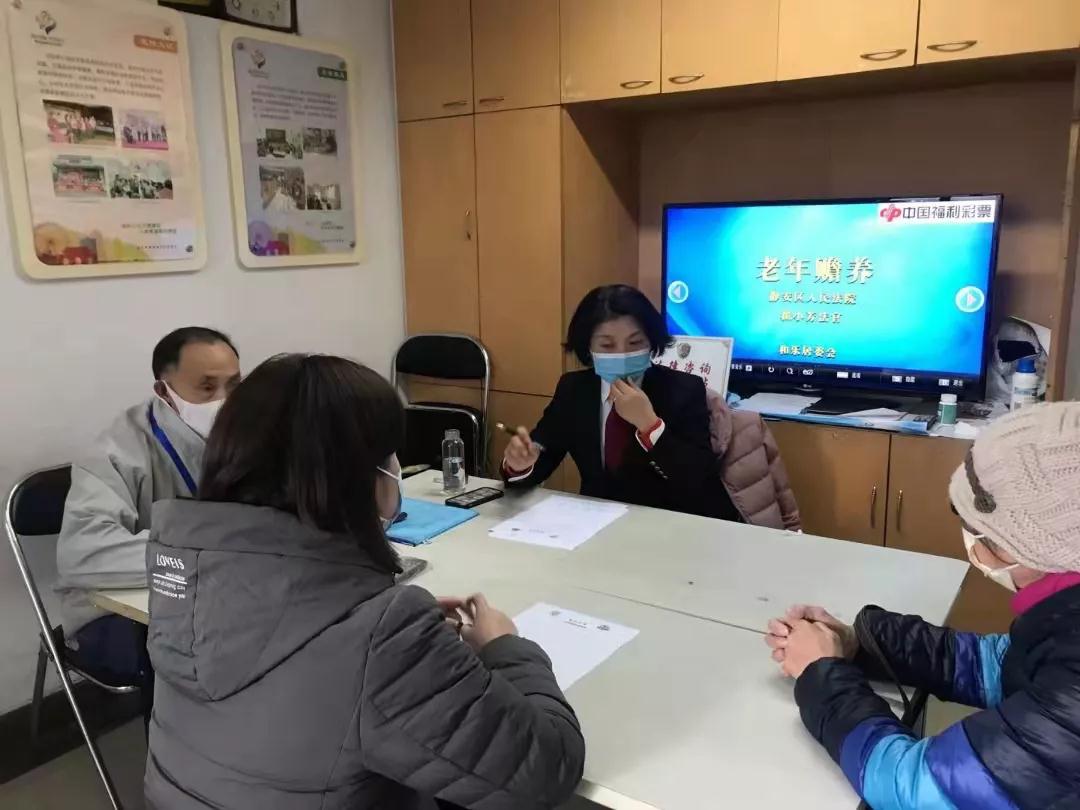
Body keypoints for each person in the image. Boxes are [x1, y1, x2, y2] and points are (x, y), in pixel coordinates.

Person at [144, 354, 586, 809]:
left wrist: (386, 622)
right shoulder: (385, 640)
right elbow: (547, 768)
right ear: (360, 474)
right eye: (391, 455)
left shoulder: (184, 575)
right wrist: (504, 647)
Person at [765, 402, 1080, 810]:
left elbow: (917, 789)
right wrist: (861, 644)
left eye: (983, 533)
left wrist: (821, 675)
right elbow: (1000, 665)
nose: (973, 545)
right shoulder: (1063, 621)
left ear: (1036, 546)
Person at [56, 327, 240, 693]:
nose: (225, 400)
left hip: (213, 589)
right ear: (164, 391)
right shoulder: (117, 451)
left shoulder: (250, 432)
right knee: (217, 646)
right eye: (207, 387)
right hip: (113, 612)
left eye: (234, 386)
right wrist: (203, 555)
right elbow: (82, 554)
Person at [502, 284, 737, 520]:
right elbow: (542, 453)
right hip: (596, 522)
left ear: (652, 341)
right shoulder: (574, 389)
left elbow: (699, 479)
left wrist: (650, 426)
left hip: (667, 523)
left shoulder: (683, 389)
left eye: (635, 343)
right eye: (606, 345)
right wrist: (520, 464)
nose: (621, 354)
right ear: (588, 347)